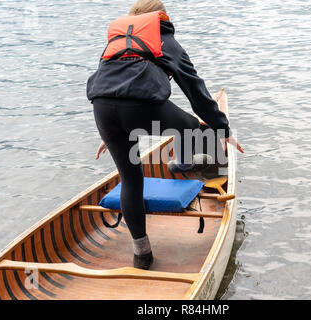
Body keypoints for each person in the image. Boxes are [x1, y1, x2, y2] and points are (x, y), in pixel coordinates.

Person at [86, 0, 244, 270]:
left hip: (102, 111)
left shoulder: (119, 38)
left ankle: (142, 254)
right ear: (163, 16)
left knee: (131, 179)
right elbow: (195, 90)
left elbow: (111, 85)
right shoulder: (165, 38)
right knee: (193, 127)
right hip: (142, 108)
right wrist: (222, 129)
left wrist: (109, 132)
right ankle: (193, 164)